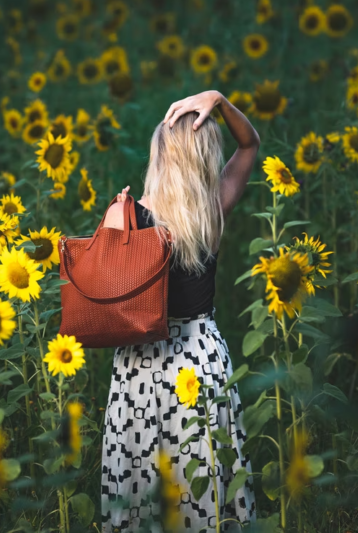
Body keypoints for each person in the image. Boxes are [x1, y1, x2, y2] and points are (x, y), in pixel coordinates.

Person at [100, 90, 260, 533]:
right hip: (200, 357)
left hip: (142, 366)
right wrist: (221, 103)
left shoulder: (130, 217)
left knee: (144, 485)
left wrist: (117, 220)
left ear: (159, 156)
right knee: (202, 479)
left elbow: (108, 304)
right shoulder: (213, 208)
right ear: (206, 157)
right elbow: (250, 145)